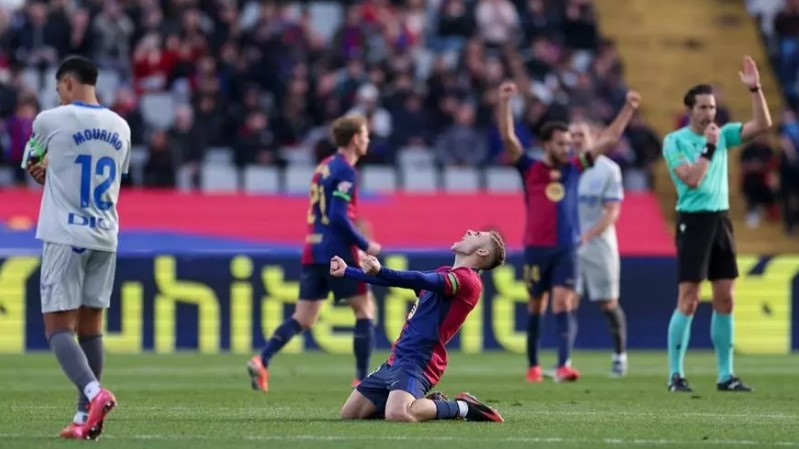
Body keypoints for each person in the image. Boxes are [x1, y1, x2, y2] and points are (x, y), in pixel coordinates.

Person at [496, 81, 639, 383]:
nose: (567, 148)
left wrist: (628, 108)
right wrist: (505, 102)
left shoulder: (576, 168)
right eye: (561, 143)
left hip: (567, 248)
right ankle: (533, 366)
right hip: (536, 248)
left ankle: (563, 365)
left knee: (563, 303)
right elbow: (508, 138)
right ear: (547, 144)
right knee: (537, 304)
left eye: (569, 144)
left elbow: (609, 140)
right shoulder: (530, 169)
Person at [23, 56, 130, 439]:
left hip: (65, 235)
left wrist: (42, 168)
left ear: (67, 83)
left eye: (58, 88)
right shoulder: (121, 126)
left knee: (57, 329)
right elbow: (107, 172)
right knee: (92, 329)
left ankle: (93, 392)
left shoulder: (50, 119)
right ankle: (85, 418)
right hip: (105, 234)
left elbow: (32, 163)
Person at [662, 56, 772, 393]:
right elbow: (692, 180)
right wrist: (709, 148)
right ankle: (675, 375)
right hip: (693, 221)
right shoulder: (675, 141)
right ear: (690, 110)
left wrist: (755, 89)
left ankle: (726, 375)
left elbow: (763, 125)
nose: (710, 113)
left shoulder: (723, 135)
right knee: (690, 299)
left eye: (712, 107)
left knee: (726, 299)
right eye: (703, 107)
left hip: (721, 219)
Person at [248, 115, 381, 391]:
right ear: (355, 139)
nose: (368, 140)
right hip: (337, 251)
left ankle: (262, 360)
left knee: (304, 317)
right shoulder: (346, 170)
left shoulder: (323, 167)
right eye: (366, 135)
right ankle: (362, 380)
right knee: (365, 309)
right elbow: (337, 216)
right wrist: (364, 243)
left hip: (312, 247)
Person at [335, 230, 506, 423]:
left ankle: (464, 407)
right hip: (398, 357)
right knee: (350, 414)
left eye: (476, 234)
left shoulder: (469, 281)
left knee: (398, 414)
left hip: (420, 360)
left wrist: (381, 270)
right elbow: (402, 280)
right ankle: (427, 404)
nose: (469, 232)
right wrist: (347, 272)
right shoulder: (445, 273)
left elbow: (418, 279)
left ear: (482, 252)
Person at [570, 106, 640, 377]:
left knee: (608, 303)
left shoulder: (608, 170)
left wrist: (586, 236)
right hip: (572, 248)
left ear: (594, 137)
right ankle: (565, 361)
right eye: (572, 135)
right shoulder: (566, 169)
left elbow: (613, 212)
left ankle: (620, 356)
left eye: (581, 135)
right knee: (567, 301)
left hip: (599, 245)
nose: (576, 140)